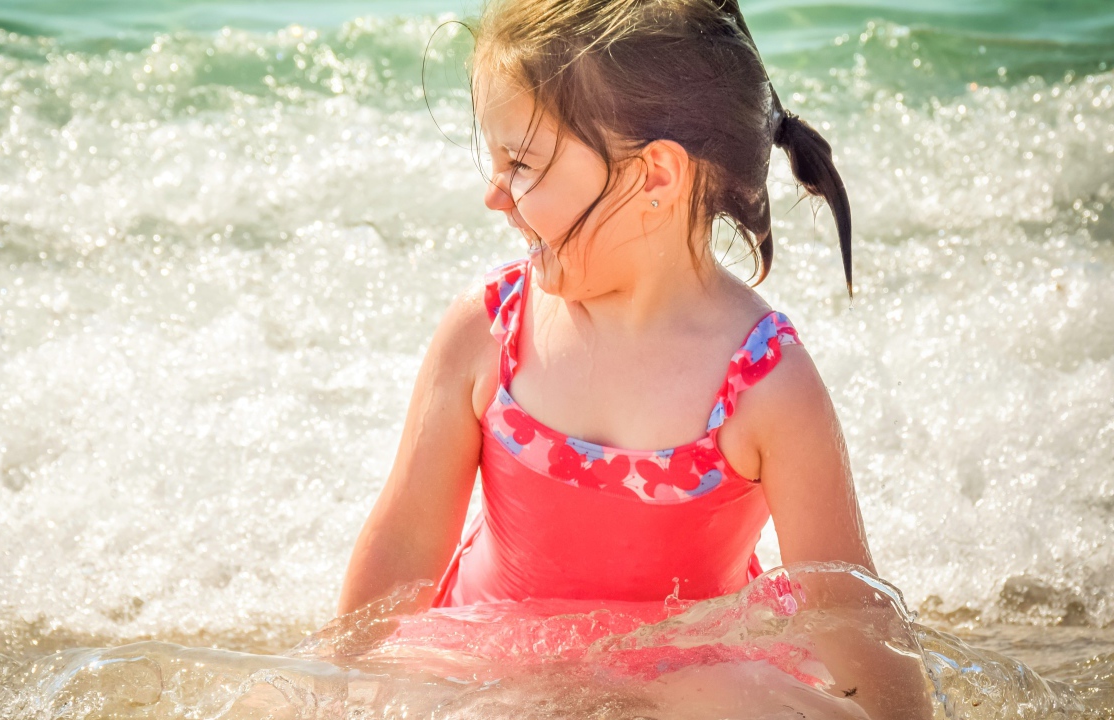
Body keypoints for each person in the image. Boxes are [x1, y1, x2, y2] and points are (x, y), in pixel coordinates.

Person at [339, 0, 932, 717]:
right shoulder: (492, 330)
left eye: (521, 164)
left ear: (655, 175)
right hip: (493, 670)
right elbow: (403, 547)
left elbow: (846, 610)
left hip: (684, 682)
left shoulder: (763, 383)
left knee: (741, 695)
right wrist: (343, 687)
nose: (494, 195)